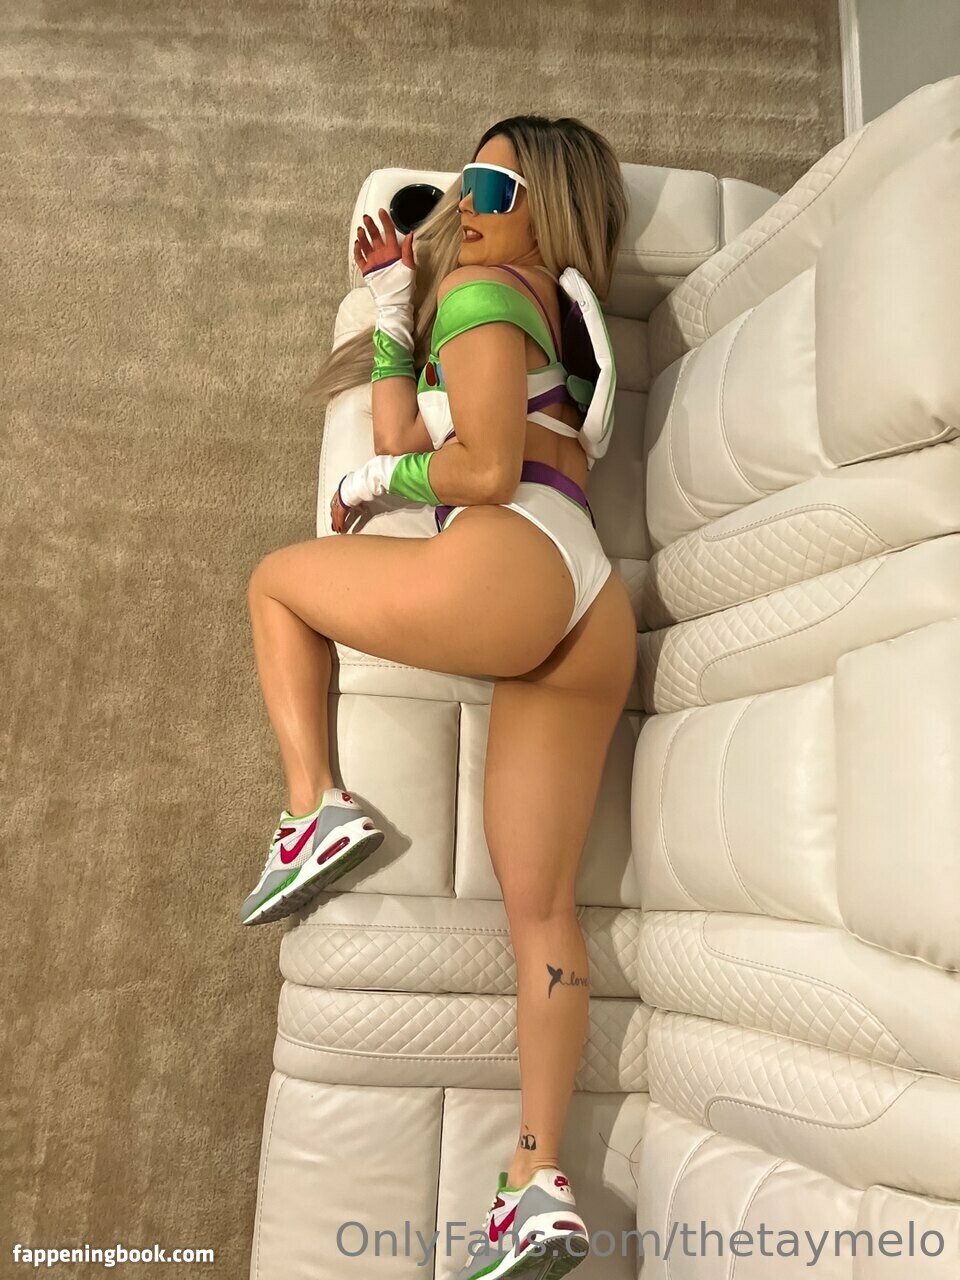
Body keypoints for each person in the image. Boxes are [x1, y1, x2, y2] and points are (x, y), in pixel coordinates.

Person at [242, 115, 637, 1280]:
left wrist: (376, 480)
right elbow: (412, 426)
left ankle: (314, 808)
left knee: (277, 584)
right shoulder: (541, 309)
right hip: (589, 601)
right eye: (464, 182)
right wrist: (389, 310)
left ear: (546, 203)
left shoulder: (487, 294)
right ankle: (536, 1179)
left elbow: (478, 470)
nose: (465, 204)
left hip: (513, 555)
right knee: (542, 910)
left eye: (491, 186)